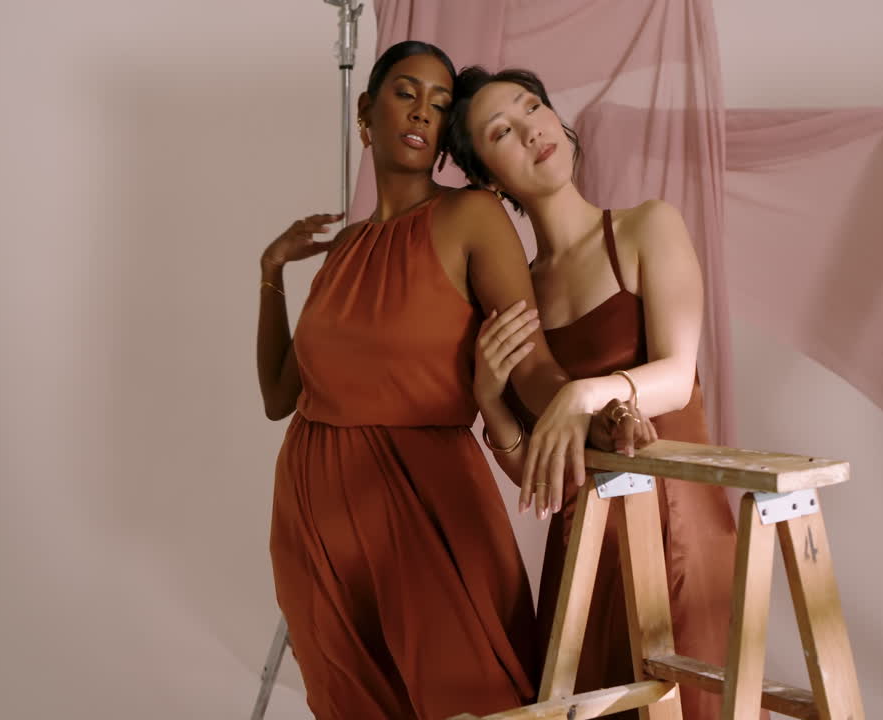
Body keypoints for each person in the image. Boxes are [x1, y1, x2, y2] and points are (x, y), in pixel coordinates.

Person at [256, 42, 644, 719]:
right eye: (406, 93)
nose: (422, 113)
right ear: (366, 109)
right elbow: (279, 398)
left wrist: (595, 409)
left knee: (480, 697)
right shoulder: (344, 250)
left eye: (440, 105)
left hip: (427, 505)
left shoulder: (470, 217)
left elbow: (528, 361)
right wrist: (271, 273)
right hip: (311, 514)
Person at [445, 66, 742, 720]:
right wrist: (491, 402)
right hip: (584, 551)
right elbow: (542, 475)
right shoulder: (517, 295)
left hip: (680, 525)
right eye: (503, 131)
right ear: (489, 180)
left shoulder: (645, 227)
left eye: (533, 108)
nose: (532, 131)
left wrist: (580, 395)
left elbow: (674, 372)